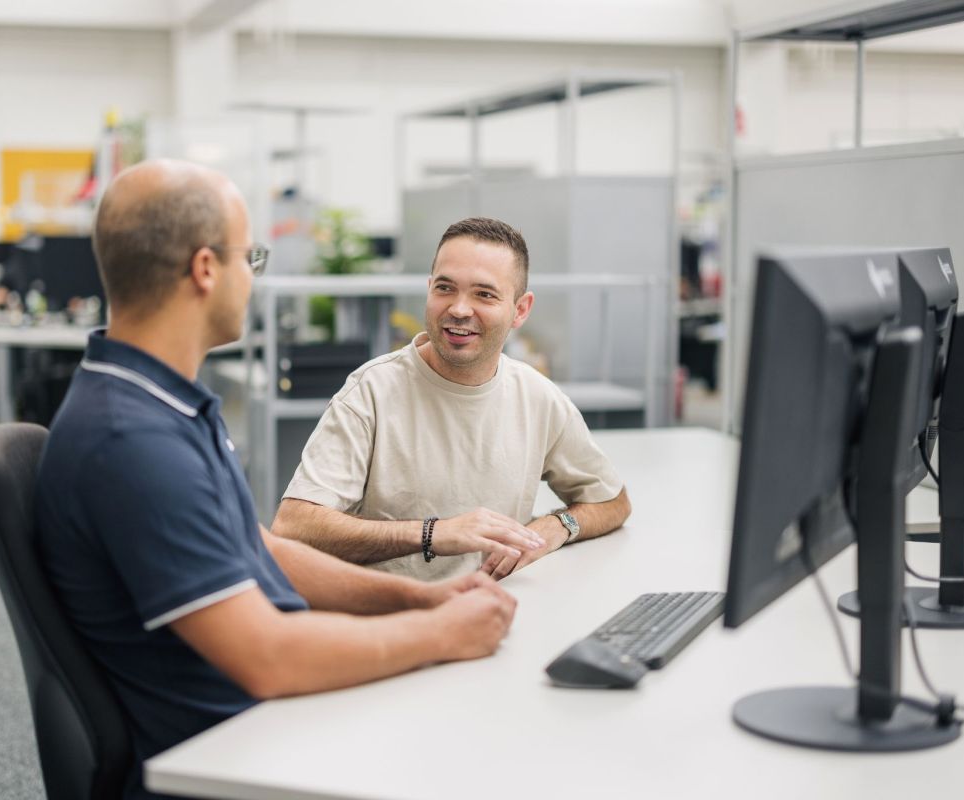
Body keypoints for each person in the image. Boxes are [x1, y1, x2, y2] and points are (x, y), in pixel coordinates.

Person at [34, 161, 516, 800]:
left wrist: (418, 601)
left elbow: (258, 548)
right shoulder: (133, 442)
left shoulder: (161, 402)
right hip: (236, 756)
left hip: (267, 724)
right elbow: (266, 657)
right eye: (250, 258)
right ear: (206, 269)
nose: (252, 278)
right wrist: (441, 634)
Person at [273, 217, 631, 582]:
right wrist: (431, 534)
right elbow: (293, 527)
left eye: (484, 294)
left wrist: (558, 526)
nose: (459, 309)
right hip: (392, 611)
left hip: (497, 606)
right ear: (429, 290)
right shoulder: (371, 392)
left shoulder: (538, 398)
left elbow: (612, 501)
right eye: (445, 288)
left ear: (520, 309)